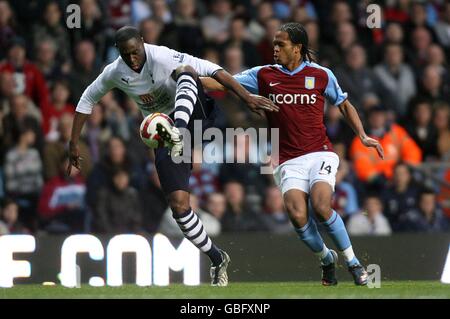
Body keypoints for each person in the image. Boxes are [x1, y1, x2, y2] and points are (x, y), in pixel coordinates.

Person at [67, 26, 277, 287]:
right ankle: (217, 258)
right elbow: (86, 100)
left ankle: (179, 128)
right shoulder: (114, 72)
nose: (132, 59)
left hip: (199, 120)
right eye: (126, 54)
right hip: (165, 138)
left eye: (135, 52)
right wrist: (73, 143)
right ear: (118, 53)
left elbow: (213, 70)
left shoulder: (163, 56)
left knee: (187, 73)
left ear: (143, 43)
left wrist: (246, 98)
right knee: (179, 207)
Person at [201, 22, 385, 286]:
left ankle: (354, 263)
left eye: (281, 44)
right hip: (287, 158)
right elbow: (223, 83)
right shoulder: (263, 75)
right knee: (297, 215)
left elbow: (343, 104)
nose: (275, 49)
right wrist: (187, 78)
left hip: (319, 152)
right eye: (274, 44)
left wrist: (363, 135)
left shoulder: (321, 75)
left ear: (297, 48)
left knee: (321, 206)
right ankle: (326, 259)